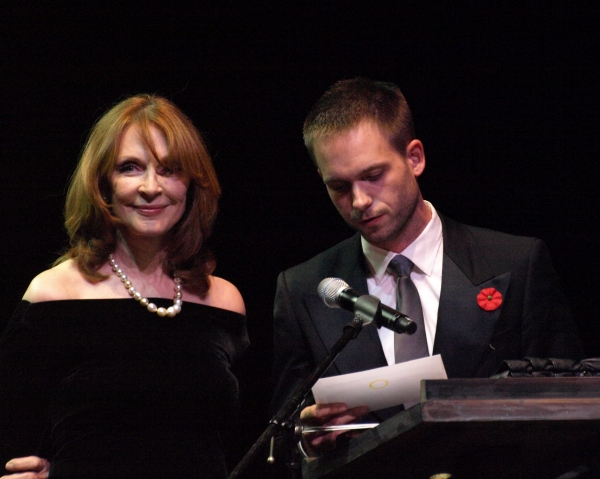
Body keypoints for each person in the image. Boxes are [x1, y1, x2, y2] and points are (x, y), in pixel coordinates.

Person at [269, 78, 584, 456]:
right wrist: (306, 439)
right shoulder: (304, 289)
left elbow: (572, 409)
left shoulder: (516, 263)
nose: (359, 201)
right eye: (338, 186)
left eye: (373, 176)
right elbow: (280, 437)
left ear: (414, 158)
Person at [0, 95, 248, 478]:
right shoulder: (54, 295)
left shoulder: (224, 301)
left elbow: (241, 444)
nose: (151, 187)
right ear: (102, 183)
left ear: (191, 184)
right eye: (130, 168)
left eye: (169, 170)